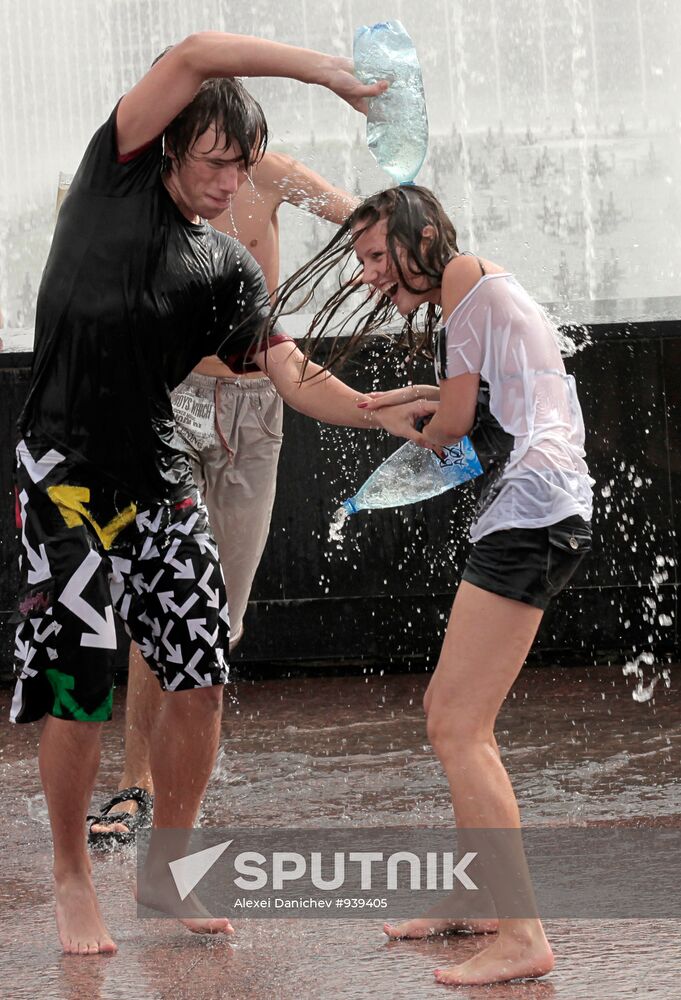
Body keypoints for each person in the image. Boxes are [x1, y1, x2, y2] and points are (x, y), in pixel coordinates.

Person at [10, 34, 428, 956]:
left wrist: (373, 409)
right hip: (66, 474)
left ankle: (166, 868)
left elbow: (287, 373)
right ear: (169, 148)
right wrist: (325, 75)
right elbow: (197, 52)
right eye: (213, 162)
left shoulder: (224, 268)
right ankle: (75, 879)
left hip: (157, 480)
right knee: (79, 683)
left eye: (242, 168)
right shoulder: (107, 180)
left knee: (199, 676)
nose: (230, 182)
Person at [271, 184, 593, 986]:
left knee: (456, 725)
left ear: (419, 235)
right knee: (454, 720)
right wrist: (405, 404)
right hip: (538, 504)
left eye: (377, 255)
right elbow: (476, 411)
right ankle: (482, 901)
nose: (371, 275)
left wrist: (396, 413)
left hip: (531, 510)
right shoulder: (482, 284)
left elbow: (453, 429)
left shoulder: (460, 283)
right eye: (361, 261)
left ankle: (522, 934)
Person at [88, 152, 358, 842]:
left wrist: (424, 255)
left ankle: (182, 778)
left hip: (256, 405)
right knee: (164, 596)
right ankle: (135, 784)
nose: (222, 169)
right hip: (170, 399)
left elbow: (355, 216)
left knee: (219, 618)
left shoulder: (267, 173)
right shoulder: (149, 186)